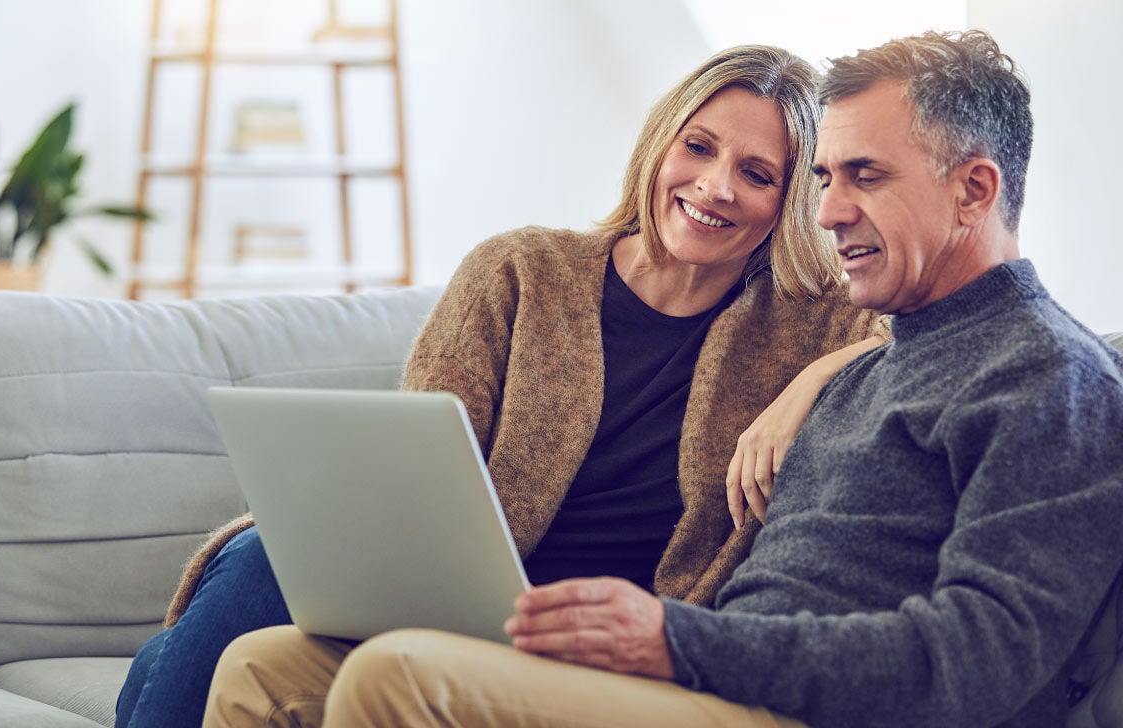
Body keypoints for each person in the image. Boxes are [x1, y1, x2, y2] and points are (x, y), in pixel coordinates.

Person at [201, 29, 1123, 728]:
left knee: (392, 677)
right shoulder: (887, 356)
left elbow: (979, 662)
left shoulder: (1051, 382)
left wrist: (673, 638)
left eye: (866, 176)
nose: (832, 211)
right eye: (828, 179)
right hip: (716, 672)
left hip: (792, 708)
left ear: (975, 190)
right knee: (263, 667)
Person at [115, 44, 886, 727]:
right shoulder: (521, 272)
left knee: (164, 669)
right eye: (699, 148)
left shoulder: (809, 325)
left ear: (787, 204)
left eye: (755, 175)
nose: (715, 186)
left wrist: (813, 380)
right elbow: (413, 467)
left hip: (615, 655)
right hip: (457, 618)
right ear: (660, 145)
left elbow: (934, 333)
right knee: (254, 573)